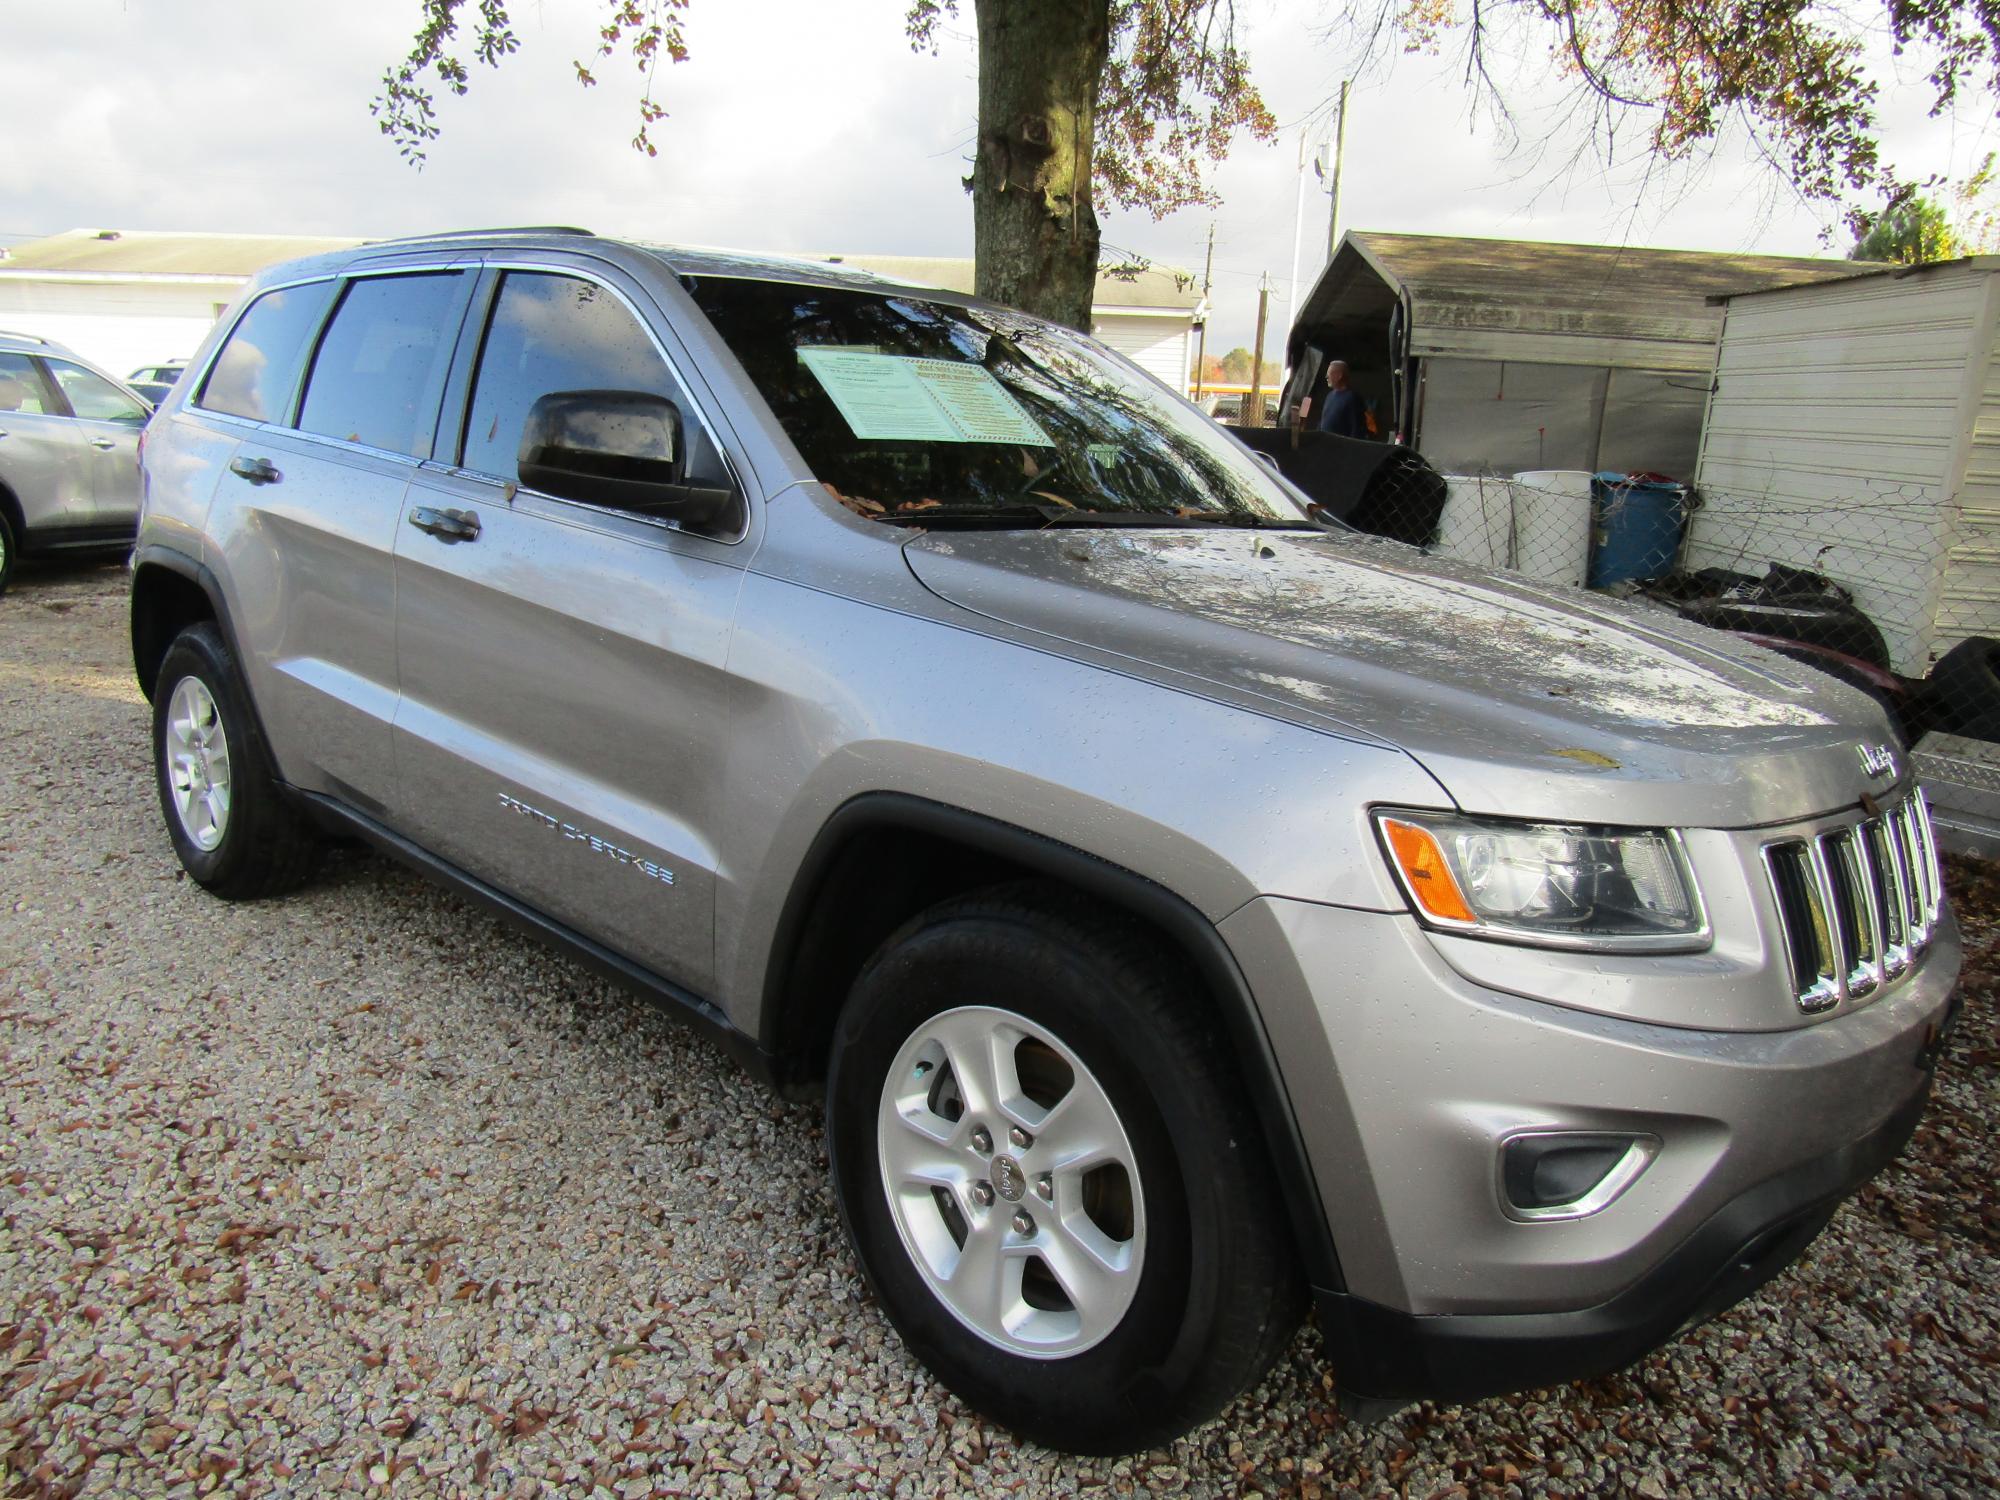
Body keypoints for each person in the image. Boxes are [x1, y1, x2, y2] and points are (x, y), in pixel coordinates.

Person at [1315, 359, 1367, 438]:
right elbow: (1323, 421)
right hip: (1326, 445)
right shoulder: (1329, 396)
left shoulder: (1352, 398)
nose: (1326, 376)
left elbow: (1357, 429)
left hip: (1341, 447)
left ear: (1339, 375)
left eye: (1330, 373)